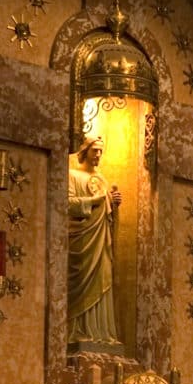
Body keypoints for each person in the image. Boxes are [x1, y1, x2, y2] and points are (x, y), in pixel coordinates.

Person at [67, 134, 122, 347]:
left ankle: (101, 333)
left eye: (101, 151)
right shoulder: (72, 175)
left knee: (103, 276)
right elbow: (68, 203)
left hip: (101, 239)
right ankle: (78, 331)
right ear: (85, 151)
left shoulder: (102, 179)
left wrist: (113, 203)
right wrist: (97, 200)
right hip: (82, 238)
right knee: (82, 280)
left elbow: (106, 212)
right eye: (94, 150)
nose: (98, 154)